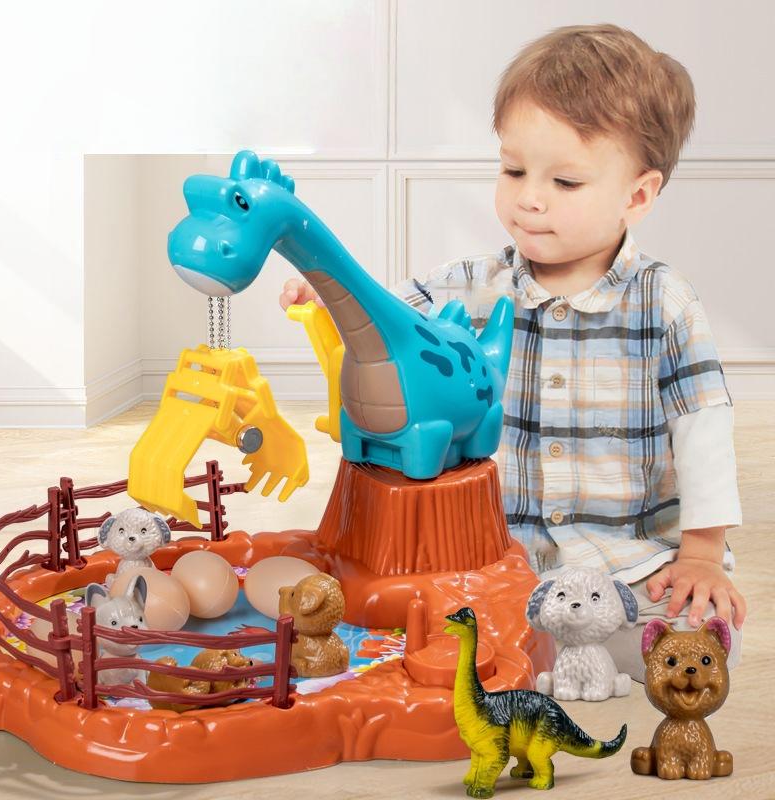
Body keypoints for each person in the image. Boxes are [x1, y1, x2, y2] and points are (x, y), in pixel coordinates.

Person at [279, 24, 745, 680]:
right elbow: (385, 320)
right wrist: (331, 296)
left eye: (566, 182)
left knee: (696, 640)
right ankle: (523, 648)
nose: (529, 197)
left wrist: (700, 553)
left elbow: (705, 432)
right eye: (513, 169)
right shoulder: (468, 285)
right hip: (490, 557)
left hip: (624, 556)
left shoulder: (663, 302)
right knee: (411, 616)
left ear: (637, 195)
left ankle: (548, 649)